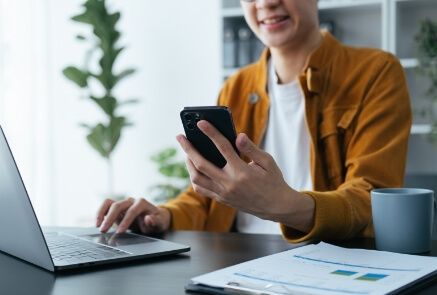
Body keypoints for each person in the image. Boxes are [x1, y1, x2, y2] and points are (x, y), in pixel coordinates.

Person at [96, 0, 411, 243]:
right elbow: (208, 199)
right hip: (235, 264)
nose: (265, 3)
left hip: (330, 266)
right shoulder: (237, 86)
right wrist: (163, 215)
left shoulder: (376, 72)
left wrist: (285, 206)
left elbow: (373, 198)